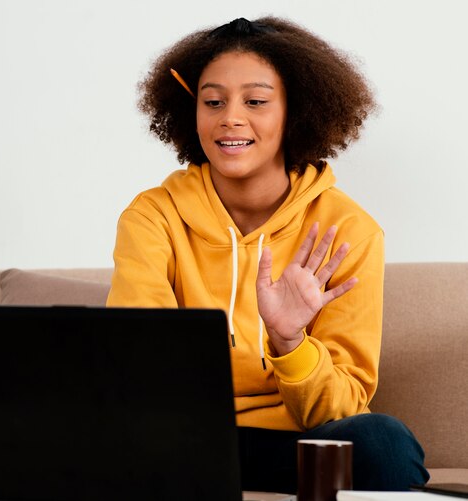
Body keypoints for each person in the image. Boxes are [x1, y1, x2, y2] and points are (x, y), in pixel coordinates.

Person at [106, 16, 429, 493]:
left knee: (383, 442)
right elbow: (134, 371)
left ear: (295, 112)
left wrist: (290, 341)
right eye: (212, 102)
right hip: (185, 443)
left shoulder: (350, 230)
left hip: (298, 444)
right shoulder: (153, 216)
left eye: (255, 101)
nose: (230, 118)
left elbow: (340, 409)